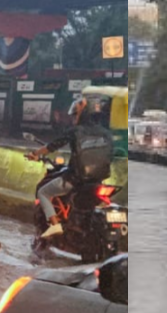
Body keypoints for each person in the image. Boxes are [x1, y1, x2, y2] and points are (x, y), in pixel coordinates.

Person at [26, 95, 114, 239]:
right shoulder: (106, 134)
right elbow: (110, 155)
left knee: (43, 192)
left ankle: (55, 225)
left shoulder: (75, 131)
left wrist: (35, 154)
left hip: (75, 180)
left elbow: (51, 146)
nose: (74, 118)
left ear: (84, 113)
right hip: (97, 181)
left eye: (76, 114)